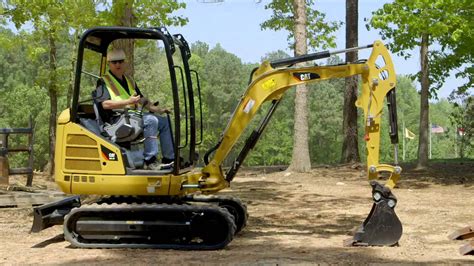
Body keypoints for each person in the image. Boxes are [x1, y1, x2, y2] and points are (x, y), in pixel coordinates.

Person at [94, 48, 175, 170]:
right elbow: (105, 104)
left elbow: (141, 99)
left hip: (131, 118)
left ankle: (169, 159)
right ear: (109, 64)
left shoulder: (129, 80)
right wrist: (128, 102)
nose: (118, 64)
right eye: (114, 62)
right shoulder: (103, 81)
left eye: (120, 61)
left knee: (164, 121)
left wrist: (160, 110)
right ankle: (150, 160)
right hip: (115, 121)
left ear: (125, 62)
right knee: (151, 120)